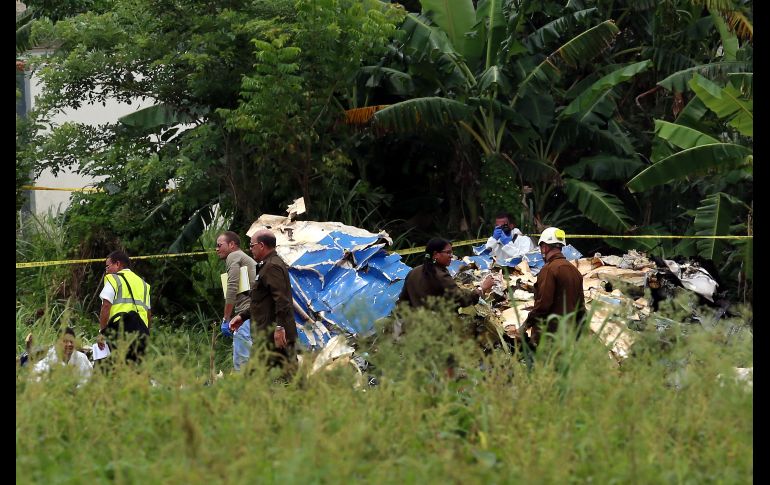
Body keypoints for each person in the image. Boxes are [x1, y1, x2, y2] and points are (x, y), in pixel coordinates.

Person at [229, 230, 297, 377]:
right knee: (290, 377)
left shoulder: (272, 267)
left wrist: (279, 328)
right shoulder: (267, 265)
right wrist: (243, 316)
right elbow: (261, 301)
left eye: (252, 245)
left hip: (274, 334)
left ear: (261, 245)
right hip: (269, 333)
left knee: (257, 376)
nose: (250, 249)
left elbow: (282, 300)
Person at [518, 227, 586, 348]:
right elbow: (581, 308)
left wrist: (526, 325)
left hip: (549, 338)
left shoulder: (549, 269)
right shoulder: (575, 271)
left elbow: (543, 304)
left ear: (544, 247)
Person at [398, 238, 494, 309]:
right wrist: (481, 288)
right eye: (448, 252)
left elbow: (402, 302)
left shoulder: (413, 272)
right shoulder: (441, 275)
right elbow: (462, 300)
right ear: (436, 254)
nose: (451, 256)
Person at [98, 250, 151, 363]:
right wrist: (147, 333)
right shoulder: (143, 284)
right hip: (141, 333)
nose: (107, 272)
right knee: (136, 370)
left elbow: (106, 306)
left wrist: (102, 332)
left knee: (119, 368)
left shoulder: (114, 279)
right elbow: (148, 313)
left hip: (120, 332)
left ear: (117, 264)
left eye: (108, 267)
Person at [215, 231, 258, 371]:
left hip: (246, 313)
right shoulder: (244, 258)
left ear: (232, 244)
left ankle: (244, 390)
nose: (216, 249)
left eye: (219, 245)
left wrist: (226, 318)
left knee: (241, 361)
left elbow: (232, 286)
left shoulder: (234, 256)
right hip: (255, 312)